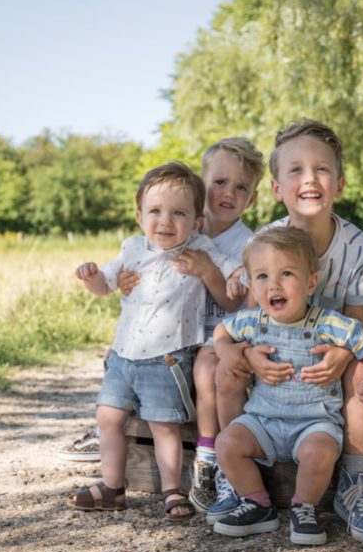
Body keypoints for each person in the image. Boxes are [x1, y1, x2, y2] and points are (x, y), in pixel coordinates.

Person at [212, 119, 363, 543]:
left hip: (328, 345)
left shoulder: (359, 248)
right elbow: (249, 320)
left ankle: (353, 482)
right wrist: (246, 355)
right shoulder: (265, 241)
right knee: (222, 367)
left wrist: (344, 355)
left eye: (321, 169)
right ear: (277, 188)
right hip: (273, 348)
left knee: (360, 371)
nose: (309, 179)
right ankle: (233, 477)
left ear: (339, 185)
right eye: (296, 170)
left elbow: (357, 324)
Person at [68, 161, 239, 520]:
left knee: (164, 426)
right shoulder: (132, 248)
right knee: (107, 417)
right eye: (155, 211)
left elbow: (230, 272)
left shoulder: (199, 248)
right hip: (123, 357)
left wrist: (236, 273)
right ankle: (112, 486)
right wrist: (91, 277)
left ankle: (171, 489)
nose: (165, 221)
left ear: (196, 222)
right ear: (139, 216)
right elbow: (105, 285)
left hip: (167, 358)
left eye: (178, 213)